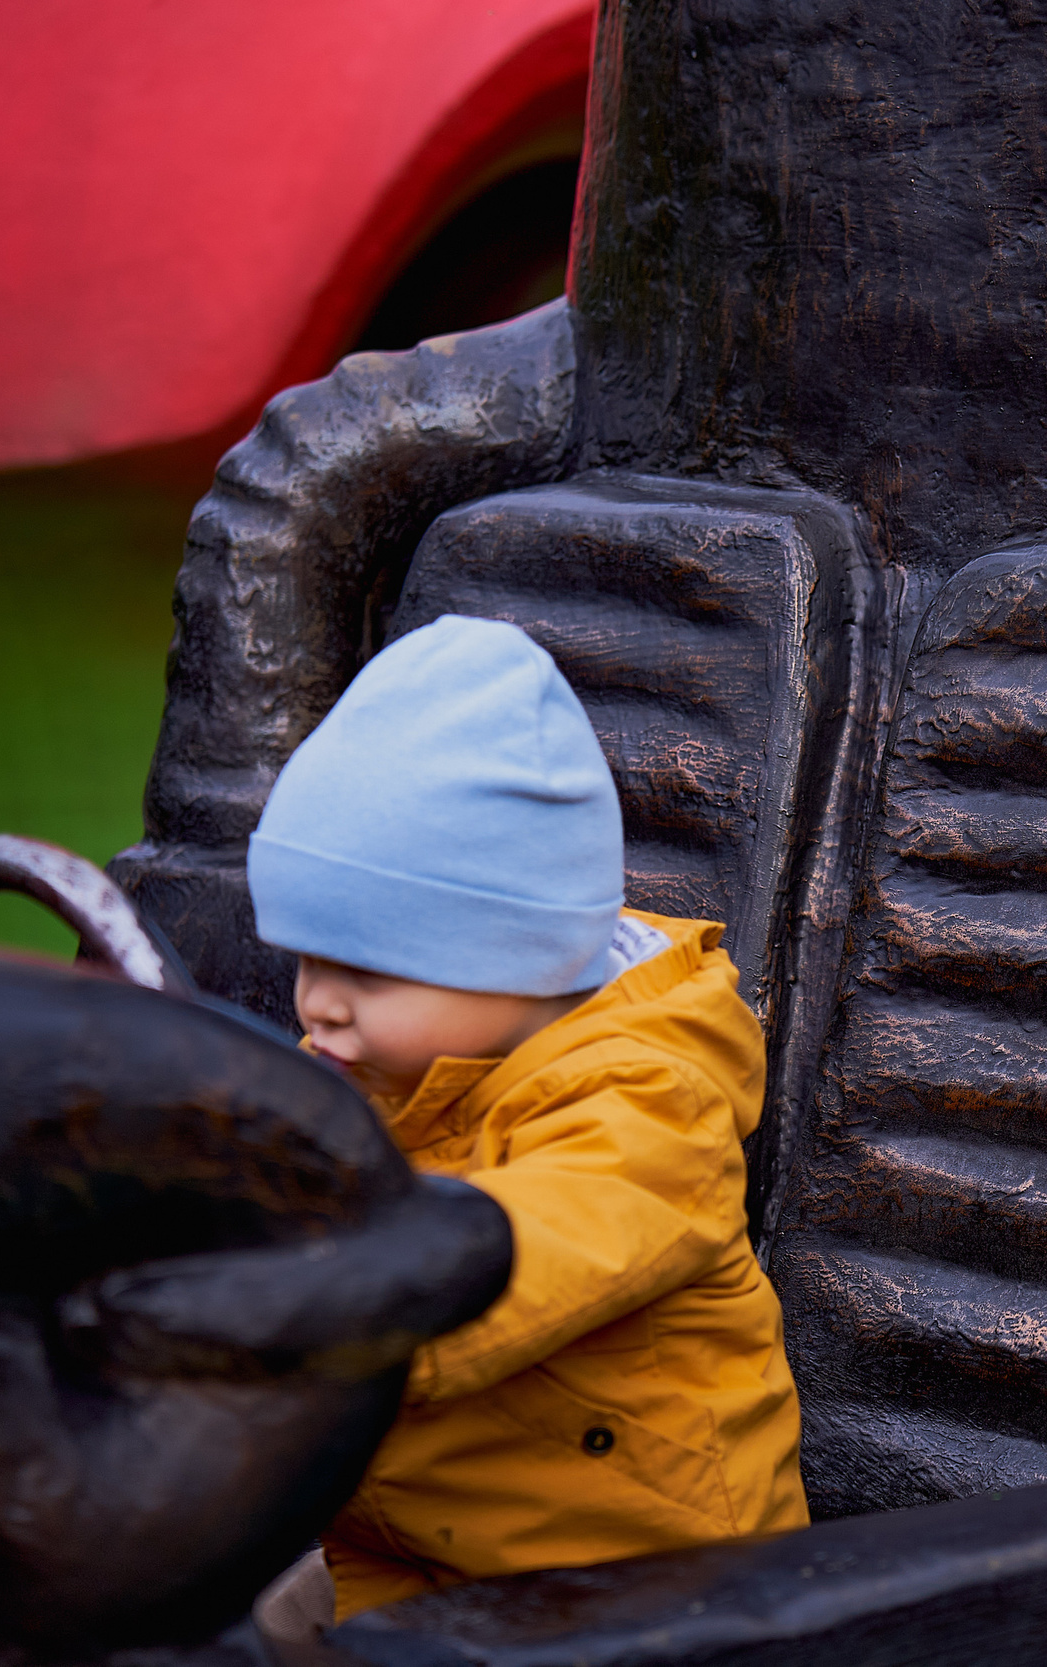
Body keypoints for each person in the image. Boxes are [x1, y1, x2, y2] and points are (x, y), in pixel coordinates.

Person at [243, 613, 807, 1626]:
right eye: (303, 960)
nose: (316, 1003)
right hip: (406, 1546)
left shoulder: (647, 1105)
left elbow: (539, 1243)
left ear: (517, 955)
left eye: (364, 970)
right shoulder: (372, 1067)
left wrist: (293, 1314)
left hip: (640, 1592)